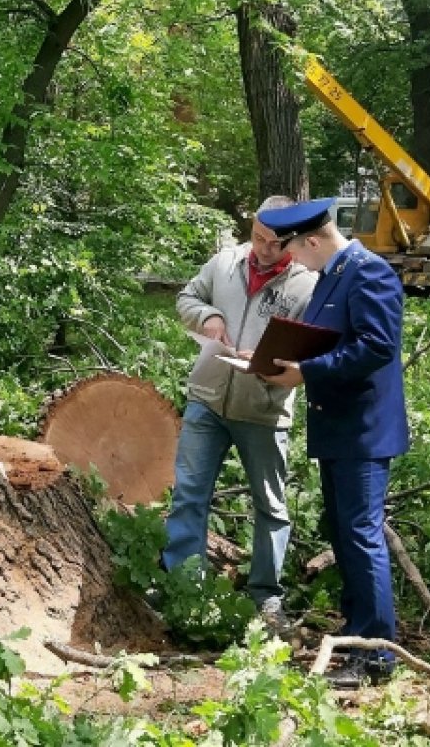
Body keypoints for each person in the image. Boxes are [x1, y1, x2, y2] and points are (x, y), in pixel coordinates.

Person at [258, 197, 409, 689]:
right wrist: (273, 355)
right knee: (345, 533)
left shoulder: (369, 272)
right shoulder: (333, 275)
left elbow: (377, 346)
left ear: (314, 241)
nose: (294, 262)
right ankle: (356, 632)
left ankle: (377, 656)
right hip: (338, 426)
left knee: (362, 535)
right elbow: (326, 340)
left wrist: (308, 372)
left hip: (363, 429)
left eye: (296, 252)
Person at [162, 195, 317, 635]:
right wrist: (207, 316)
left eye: (274, 244)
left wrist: (267, 361)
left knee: (270, 505)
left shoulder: (308, 284)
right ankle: (184, 590)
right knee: (190, 493)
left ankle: (265, 597)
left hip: (264, 409)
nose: (264, 249)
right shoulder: (225, 262)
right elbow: (187, 297)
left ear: (294, 240)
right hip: (208, 398)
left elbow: (311, 349)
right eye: (258, 238)